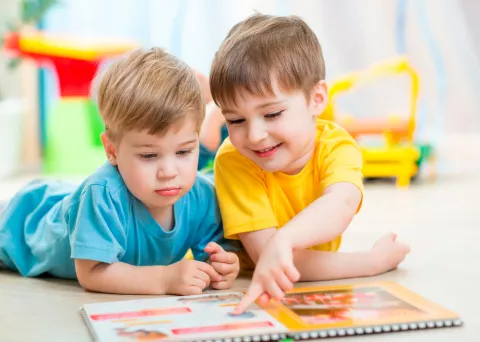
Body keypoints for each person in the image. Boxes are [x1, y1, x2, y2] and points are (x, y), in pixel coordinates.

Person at [209, 14, 410, 313]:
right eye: (235, 120)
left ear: (317, 99)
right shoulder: (235, 158)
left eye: (272, 114)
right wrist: (371, 261)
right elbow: (272, 259)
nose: (254, 135)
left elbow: (339, 206)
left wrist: (284, 240)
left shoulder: (337, 146)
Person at [0, 47, 240, 295]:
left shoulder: (201, 196)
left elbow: (215, 252)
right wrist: (163, 280)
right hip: (22, 223)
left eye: (183, 152)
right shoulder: (103, 195)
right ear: (112, 151)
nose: (169, 171)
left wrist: (221, 265)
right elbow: (92, 273)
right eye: (149, 155)